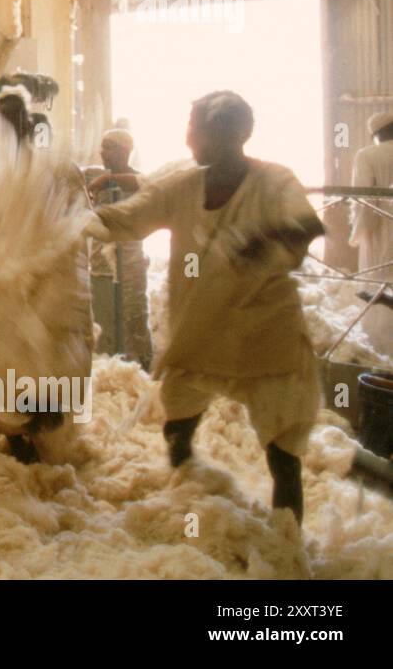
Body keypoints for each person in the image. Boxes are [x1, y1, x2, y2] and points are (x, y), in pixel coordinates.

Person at [86, 91, 324, 522]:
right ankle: (191, 511)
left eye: (195, 127)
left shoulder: (273, 181)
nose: (188, 137)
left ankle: (286, 546)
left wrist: (258, 245)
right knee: (178, 428)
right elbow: (129, 216)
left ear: (230, 134)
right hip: (201, 335)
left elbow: (304, 227)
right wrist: (79, 222)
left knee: (283, 458)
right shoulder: (184, 186)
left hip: (265, 339)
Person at [0, 87, 93, 464]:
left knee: (40, 370)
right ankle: (30, 444)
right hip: (23, 292)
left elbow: (81, 224)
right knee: (27, 369)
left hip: (54, 289)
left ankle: (36, 442)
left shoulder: (54, 169)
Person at [86, 128, 153, 368]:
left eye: (109, 146)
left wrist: (109, 179)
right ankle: (108, 370)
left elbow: (148, 189)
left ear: (125, 151)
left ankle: (142, 368)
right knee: (103, 320)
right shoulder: (94, 180)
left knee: (134, 317)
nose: (102, 152)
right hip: (102, 263)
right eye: (102, 147)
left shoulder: (139, 181)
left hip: (130, 261)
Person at [350, 112, 393, 343]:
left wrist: (359, 231)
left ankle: (379, 339)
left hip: (381, 226)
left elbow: (362, 197)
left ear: (376, 134)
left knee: (378, 274)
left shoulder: (367, 155)